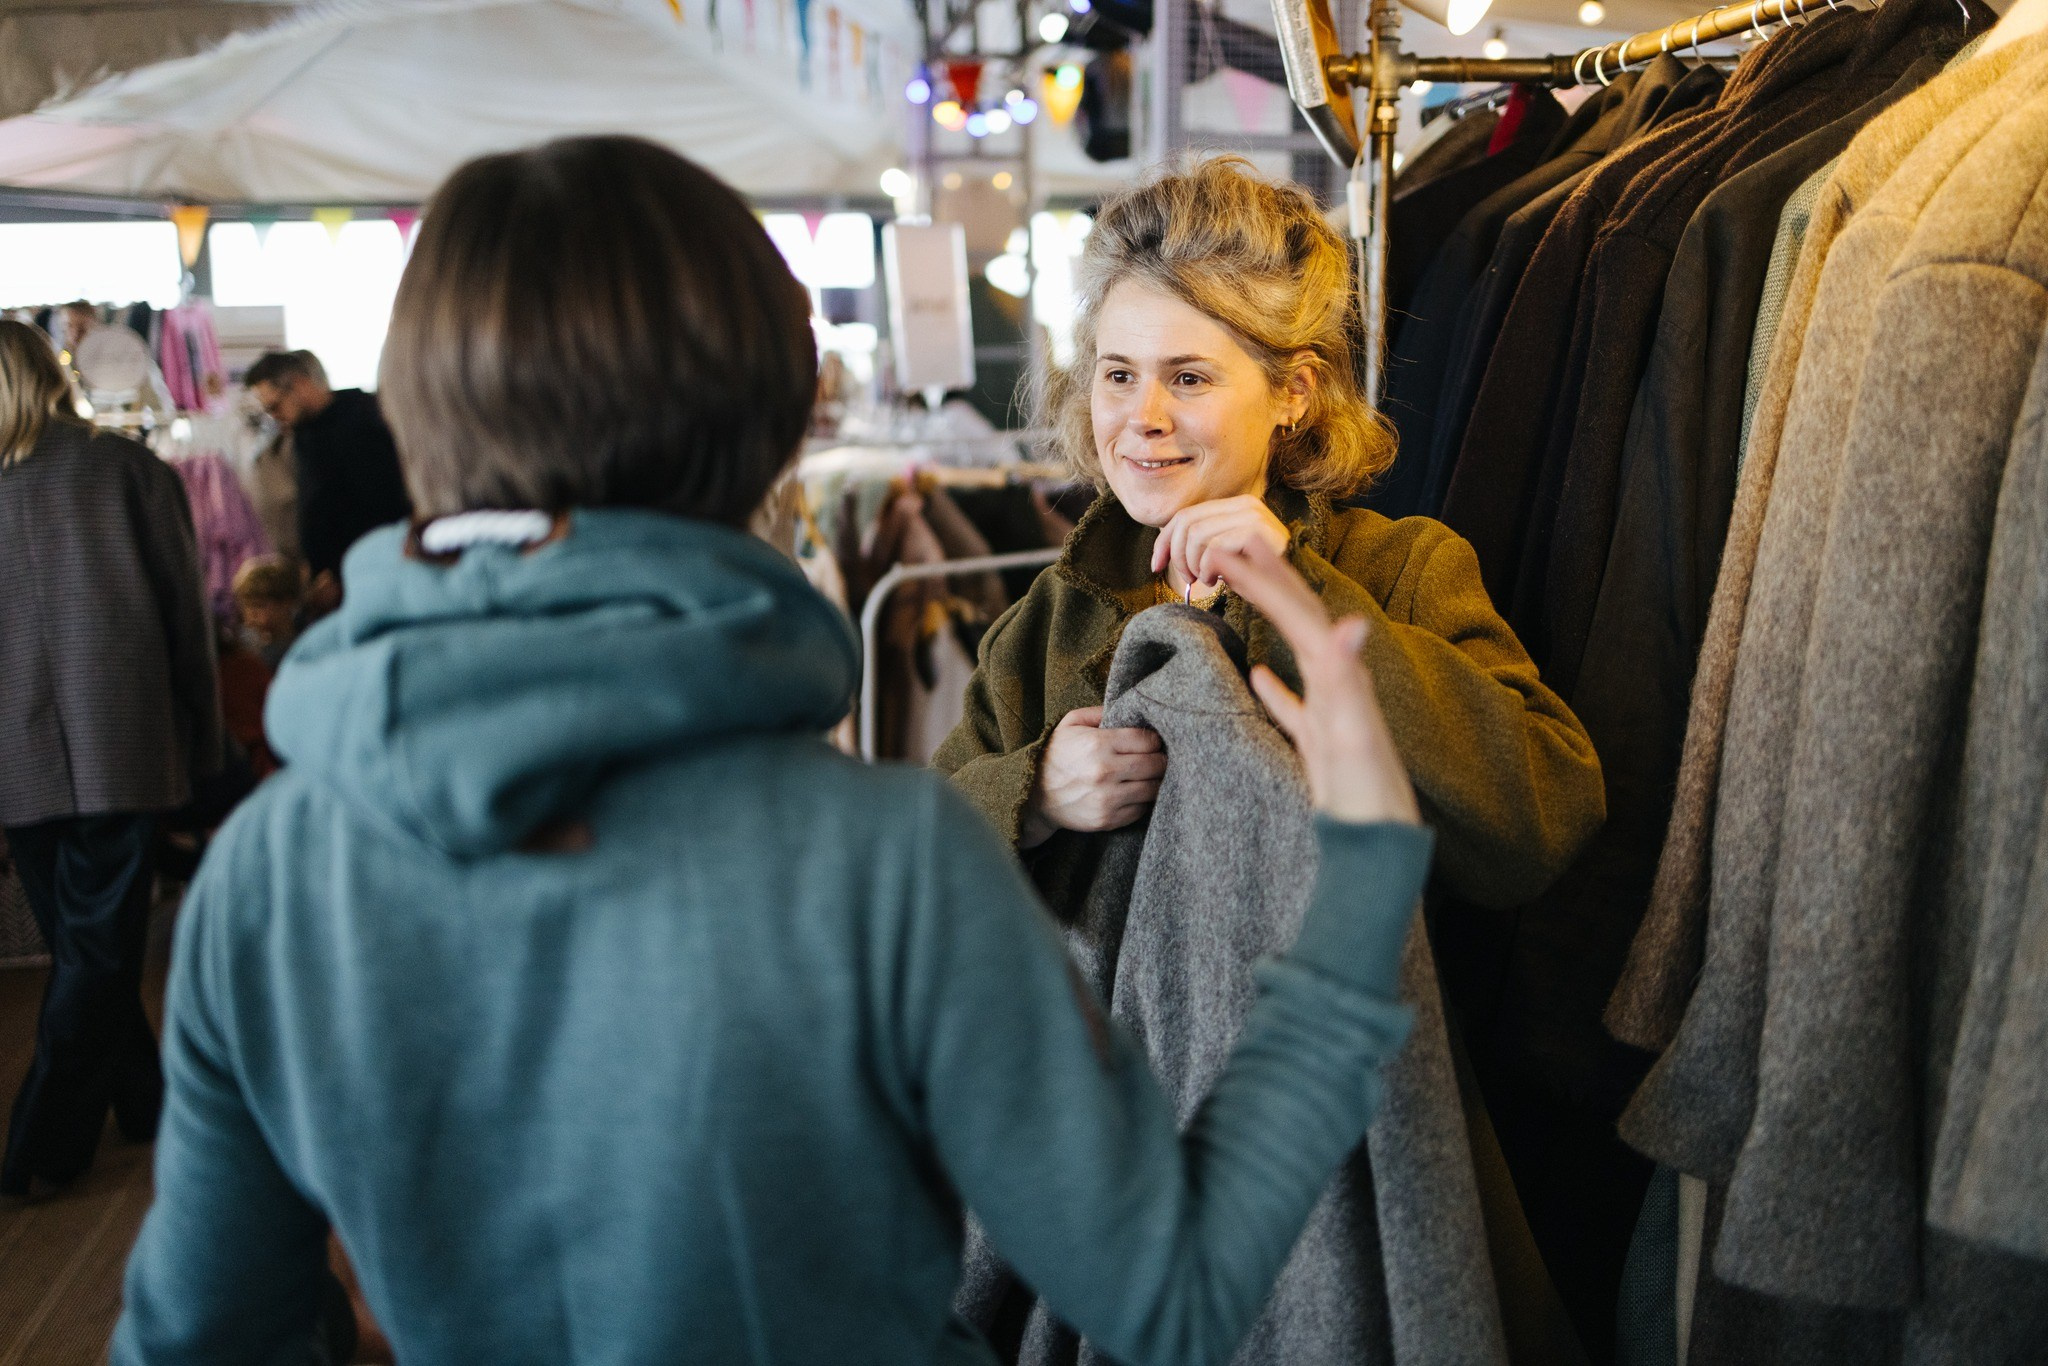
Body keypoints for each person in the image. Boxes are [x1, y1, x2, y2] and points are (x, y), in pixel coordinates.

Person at [115, 136, 1437, 1366]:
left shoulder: (268, 876)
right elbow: (1176, 1286)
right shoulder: (877, 859)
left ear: (421, 404)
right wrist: (1363, 876)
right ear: (773, 417)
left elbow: (204, 1332)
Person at [935, 157, 1604, 922]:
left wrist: (1299, 598)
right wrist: (1037, 792)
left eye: (1188, 378)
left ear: (1294, 391)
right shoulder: (1053, 616)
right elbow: (918, 857)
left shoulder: (1399, 570)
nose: (1142, 415)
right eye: (1118, 375)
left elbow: (1547, 824)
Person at [0, 319, 221, 1197]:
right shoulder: (128, 470)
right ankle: (53, 1143)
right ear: (52, 375)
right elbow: (185, 621)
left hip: (16, 755)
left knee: (86, 948)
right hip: (123, 742)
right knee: (96, 952)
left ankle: (123, 1113)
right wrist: (204, 746)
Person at [244, 349, 411, 613]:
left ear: (299, 384)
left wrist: (340, 574)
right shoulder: (303, 434)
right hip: (331, 582)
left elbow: (381, 507)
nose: (275, 417)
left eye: (275, 406)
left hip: (370, 577)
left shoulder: (363, 422)